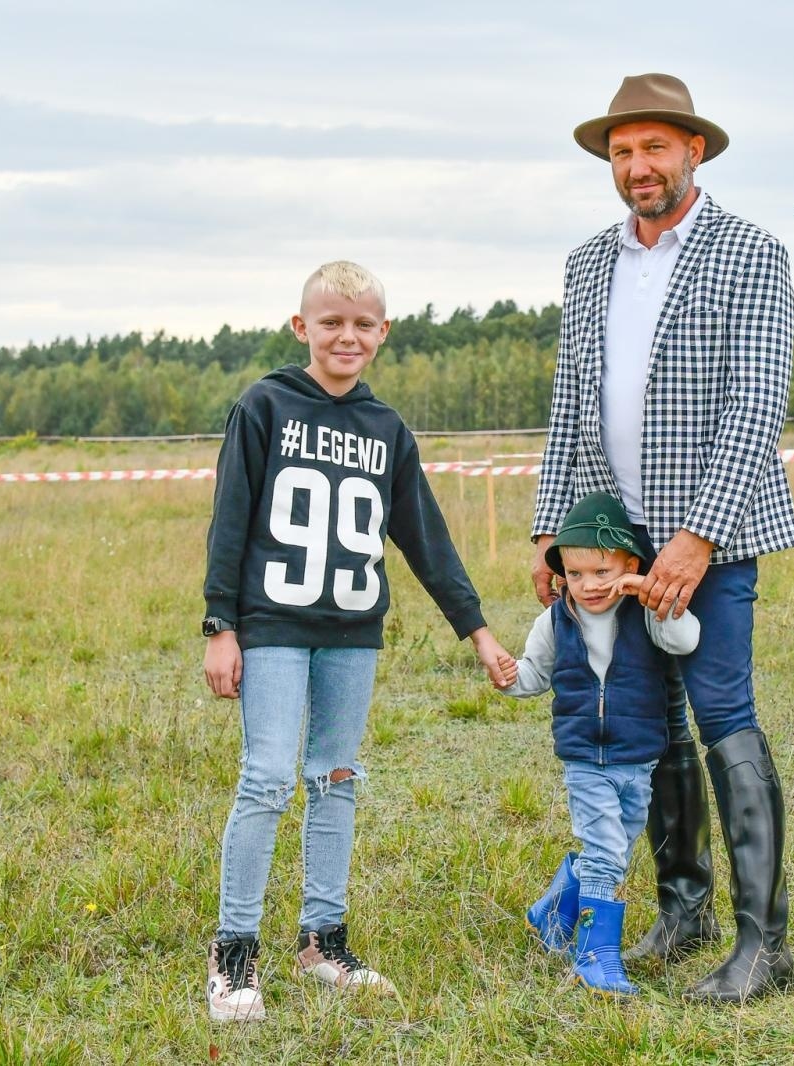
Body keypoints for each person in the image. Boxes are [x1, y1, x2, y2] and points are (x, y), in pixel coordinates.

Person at [530, 73, 794, 1003]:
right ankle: (682, 909)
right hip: (612, 539)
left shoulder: (750, 253)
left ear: (694, 151)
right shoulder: (586, 263)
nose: (637, 167)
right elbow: (571, 404)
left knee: (723, 715)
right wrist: (552, 530)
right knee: (648, 727)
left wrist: (699, 537)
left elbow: (758, 401)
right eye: (621, 152)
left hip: (707, 536)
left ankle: (764, 946)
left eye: (654, 148)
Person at [200, 260, 510, 1022]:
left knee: (337, 777)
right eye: (331, 322)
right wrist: (220, 625)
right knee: (268, 777)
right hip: (273, 623)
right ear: (301, 327)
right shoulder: (265, 404)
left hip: (352, 631)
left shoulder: (386, 428)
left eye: (362, 323)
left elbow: (425, 539)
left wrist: (476, 630)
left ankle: (323, 941)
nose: (347, 336)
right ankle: (234, 954)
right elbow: (230, 520)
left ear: (383, 333)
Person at [492, 492, 700, 997]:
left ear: (630, 565)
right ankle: (595, 954)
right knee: (605, 849)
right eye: (576, 574)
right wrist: (509, 677)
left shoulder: (646, 615)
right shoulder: (555, 621)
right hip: (585, 756)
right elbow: (535, 674)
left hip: (639, 756)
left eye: (603, 572)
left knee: (618, 846)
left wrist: (648, 592)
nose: (588, 586)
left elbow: (687, 638)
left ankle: (551, 912)